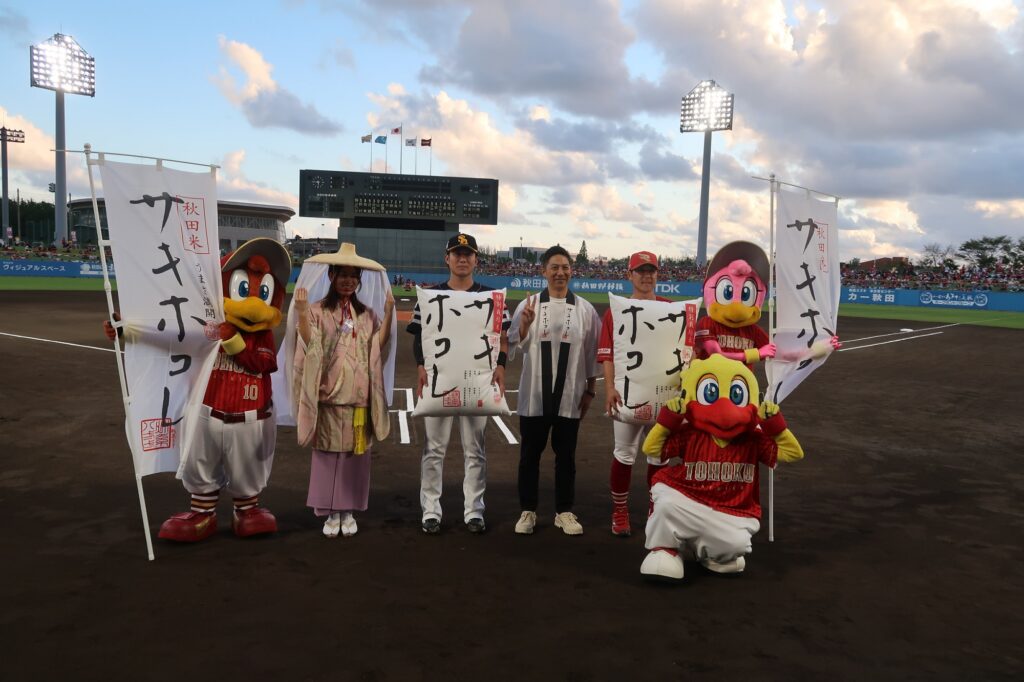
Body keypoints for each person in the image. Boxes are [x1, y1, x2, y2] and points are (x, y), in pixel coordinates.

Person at [406, 233, 510, 535]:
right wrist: (421, 366)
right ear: (447, 258)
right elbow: (419, 336)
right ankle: (430, 511)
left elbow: (502, 337)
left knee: (475, 449)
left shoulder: (492, 297)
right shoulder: (430, 295)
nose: (462, 259)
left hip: (477, 382)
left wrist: (501, 366)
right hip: (440, 380)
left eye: (468, 254)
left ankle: (474, 511)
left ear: (476, 259)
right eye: (457, 253)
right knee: (433, 449)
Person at [293, 243, 394, 538]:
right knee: (326, 455)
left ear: (359, 279)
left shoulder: (368, 315)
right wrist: (302, 314)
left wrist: (389, 313)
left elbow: (377, 347)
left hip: (358, 399)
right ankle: (330, 511)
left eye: (353, 276)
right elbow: (310, 346)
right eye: (343, 275)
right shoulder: (316, 311)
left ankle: (347, 510)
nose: (348, 281)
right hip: (328, 397)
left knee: (354, 457)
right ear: (332, 276)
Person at [509, 245, 601, 536]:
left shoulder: (585, 310)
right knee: (529, 456)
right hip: (534, 395)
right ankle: (528, 510)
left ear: (571, 271)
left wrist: (590, 391)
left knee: (566, 458)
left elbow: (592, 353)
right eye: (554, 267)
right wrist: (524, 326)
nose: (560, 273)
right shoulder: (529, 305)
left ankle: (564, 511)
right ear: (544, 271)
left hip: (570, 397)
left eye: (565, 267)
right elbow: (514, 345)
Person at [598, 250, 670, 537]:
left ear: (657, 274)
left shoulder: (669, 308)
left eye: (651, 270)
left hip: (662, 395)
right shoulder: (616, 310)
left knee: (659, 457)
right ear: (630, 275)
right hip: (627, 393)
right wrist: (609, 387)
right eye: (641, 271)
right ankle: (620, 511)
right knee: (624, 454)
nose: (646, 276)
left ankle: (655, 510)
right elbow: (607, 355)